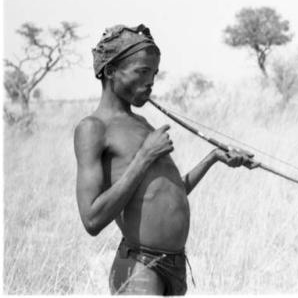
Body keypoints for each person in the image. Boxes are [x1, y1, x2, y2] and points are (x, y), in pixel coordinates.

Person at [74, 24, 253, 295]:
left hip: (175, 265)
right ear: (110, 71)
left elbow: (165, 193)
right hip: (139, 267)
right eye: (142, 72)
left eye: (154, 73)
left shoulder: (142, 123)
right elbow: (92, 220)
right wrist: (145, 156)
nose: (151, 81)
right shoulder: (93, 128)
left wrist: (214, 158)